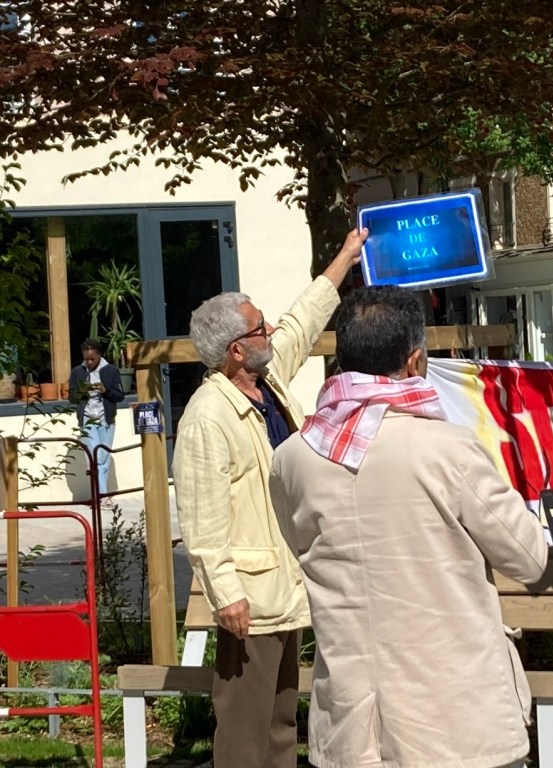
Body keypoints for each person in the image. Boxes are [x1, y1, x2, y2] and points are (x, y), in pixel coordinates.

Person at [269, 285, 548, 768]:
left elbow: (297, 546)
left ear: (342, 359)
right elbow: (528, 559)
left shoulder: (292, 458)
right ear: (416, 360)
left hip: (349, 722)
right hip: (454, 720)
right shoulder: (447, 448)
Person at [173, 226, 368, 768]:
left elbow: (303, 320)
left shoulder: (266, 385)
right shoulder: (208, 417)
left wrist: (346, 256)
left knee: (281, 725)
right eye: (261, 327)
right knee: (245, 732)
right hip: (250, 601)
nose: (272, 329)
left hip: (284, 588)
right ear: (237, 350)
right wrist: (226, 595)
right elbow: (202, 521)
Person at [68, 339, 125, 506]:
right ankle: (102, 496)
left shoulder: (111, 371)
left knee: (104, 457)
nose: (89, 362)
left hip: (106, 419)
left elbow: (120, 396)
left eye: (92, 359)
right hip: (87, 419)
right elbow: (71, 397)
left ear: (99, 355)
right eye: (86, 359)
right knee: (96, 457)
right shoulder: (78, 372)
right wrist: (82, 391)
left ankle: (100, 495)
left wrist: (105, 391)